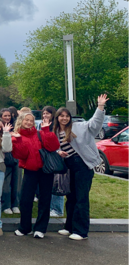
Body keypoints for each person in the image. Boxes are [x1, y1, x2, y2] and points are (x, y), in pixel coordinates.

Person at [55, 95, 107, 240]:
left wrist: (100, 107)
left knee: (81, 198)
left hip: (82, 166)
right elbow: (51, 148)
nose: (64, 118)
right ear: (57, 118)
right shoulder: (55, 132)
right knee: (70, 197)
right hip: (68, 167)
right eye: (61, 116)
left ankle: (81, 231)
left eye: (67, 116)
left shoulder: (79, 127)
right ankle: (69, 227)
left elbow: (94, 124)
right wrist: (59, 152)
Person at [12, 112, 59, 238]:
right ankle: (24, 227)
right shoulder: (17, 136)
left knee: (45, 199)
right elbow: (20, 155)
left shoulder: (41, 133)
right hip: (30, 171)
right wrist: (18, 140)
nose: (28, 122)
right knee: (25, 200)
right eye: (26, 120)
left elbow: (54, 146)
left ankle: (40, 228)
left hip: (45, 170)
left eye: (31, 120)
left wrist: (46, 130)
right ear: (21, 121)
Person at [37, 106, 63, 217]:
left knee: (57, 183)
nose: (45, 116)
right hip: (44, 157)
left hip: (56, 155)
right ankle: (49, 206)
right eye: (43, 114)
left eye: (47, 113)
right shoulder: (40, 125)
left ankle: (57, 209)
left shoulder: (56, 127)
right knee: (47, 184)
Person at [0, 108, 21, 215]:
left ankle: (15, 204)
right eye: (5, 116)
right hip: (4, 157)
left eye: (9, 116)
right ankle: (6, 205)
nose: (7, 118)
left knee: (16, 181)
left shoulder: (16, 126)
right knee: (6, 182)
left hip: (16, 156)